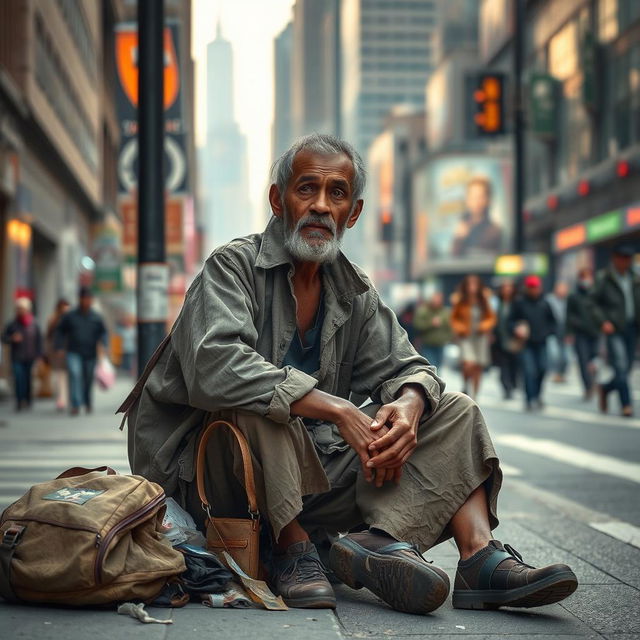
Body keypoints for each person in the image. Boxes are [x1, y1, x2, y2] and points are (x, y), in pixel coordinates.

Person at [121, 134, 577, 615]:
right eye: (306, 189)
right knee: (260, 403)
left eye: (336, 193)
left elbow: (411, 367)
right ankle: (292, 550)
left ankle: (467, 556)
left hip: (306, 477)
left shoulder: (352, 289)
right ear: (278, 200)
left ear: (352, 213)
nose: (320, 205)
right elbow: (216, 368)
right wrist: (337, 408)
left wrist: (408, 406)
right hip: (213, 479)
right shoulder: (232, 267)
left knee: (454, 409)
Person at [591, 244, 639, 417]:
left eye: (629, 259)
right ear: (615, 259)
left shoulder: (635, 277)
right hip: (614, 328)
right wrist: (603, 321)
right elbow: (592, 303)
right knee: (619, 364)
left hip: (632, 327)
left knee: (626, 368)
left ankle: (605, 388)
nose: (626, 262)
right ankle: (626, 404)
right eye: (623, 258)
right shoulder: (604, 278)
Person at [55, 287, 108, 416]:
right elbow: (60, 330)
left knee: (88, 379)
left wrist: (104, 345)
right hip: (73, 352)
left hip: (90, 353)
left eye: (89, 299)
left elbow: (103, 332)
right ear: (80, 299)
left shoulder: (96, 317)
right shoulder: (70, 316)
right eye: (84, 299)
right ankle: (76, 404)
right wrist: (60, 346)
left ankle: (88, 402)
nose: (86, 301)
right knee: (75, 374)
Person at [509, 275, 557, 411]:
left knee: (542, 369)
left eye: (535, 287)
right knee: (529, 371)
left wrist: (548, 332)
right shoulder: (519, 303)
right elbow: (510, 321)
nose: (534, 290)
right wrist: (516, 328)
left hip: (541, 342)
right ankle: (529, 399)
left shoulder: (545, 303)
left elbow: (553, 322)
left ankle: (537, 395)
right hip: (526, 343)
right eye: (531, 287)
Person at [451, 275, 497, 399]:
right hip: (466, 336)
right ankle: (466, 383)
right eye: (470, 284)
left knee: (478, 366)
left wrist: (485, 326)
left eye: (475, 284)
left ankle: (475, 396)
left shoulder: (484, 298)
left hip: (480, 336)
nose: (472, 287)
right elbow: (454, 318)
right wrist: (460, 328)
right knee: (468, 363)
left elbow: (491, 317)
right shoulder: (460, 299)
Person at [2, 297, 42, 411]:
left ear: (28, 309)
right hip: (17, 357)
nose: (20, 311)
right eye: (18, 308)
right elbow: (4, 337)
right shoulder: (12, 324)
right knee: (19, 378)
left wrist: (39, 355)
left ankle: (28, 400)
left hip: (30, 356)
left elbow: (39, 340)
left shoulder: (34, 323)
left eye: (22, 308)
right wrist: (11, 338)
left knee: (28, 379)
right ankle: (19, 401)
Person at [566, 269, 599, 400]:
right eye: (583, 277)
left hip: (595, 332)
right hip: (580, 334)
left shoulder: (595, 293)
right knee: (583, 361)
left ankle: (593, 380)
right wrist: (569, 332)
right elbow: (569, 315)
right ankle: (588, 387)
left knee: (594, 360)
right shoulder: (574, 296)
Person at [451, 178, 502, 258]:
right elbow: (453, 258)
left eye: (480, 197)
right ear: (467, 200)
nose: (477, 202)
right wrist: (459, 239)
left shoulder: (494, 231)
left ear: (488, 200)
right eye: (473, 197)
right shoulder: (461, 227)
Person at [412, 291, 452, 371]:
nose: (436, 301)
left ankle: (436, 382)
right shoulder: (423, 311)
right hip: (427, 343)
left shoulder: (445, 312)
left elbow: (450, 327)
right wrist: (431, 323)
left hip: (440, 344)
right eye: (435, 299)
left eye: (439, 299)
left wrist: (447, 338)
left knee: (438, 366)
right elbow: (417, 325)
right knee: (430, 365)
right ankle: (431, 382)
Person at [493, 281, 519, 400]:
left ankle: (513, 384)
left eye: (509, 288)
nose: (507, 290)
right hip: (500, 340)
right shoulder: (497, 303)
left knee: (514, 364)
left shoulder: (517, 303)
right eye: (505, 288)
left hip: (514, 339)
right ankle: (506, 387)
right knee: (503, 366)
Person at [46, 298, 71, 411]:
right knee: (59, 376)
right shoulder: (53, 319)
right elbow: (48, 336)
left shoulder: (72, 319)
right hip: (56, 351)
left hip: (69, 350)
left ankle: (64, 399)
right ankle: (61, 399)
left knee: (66, 376)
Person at [546, 282, 570, 383]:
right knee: (554, 354)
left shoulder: (568, 301)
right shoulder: (548, 300)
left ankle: (562, 373)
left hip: (565, 331)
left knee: (566, 356)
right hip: (552, 331)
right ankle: (556, 373)